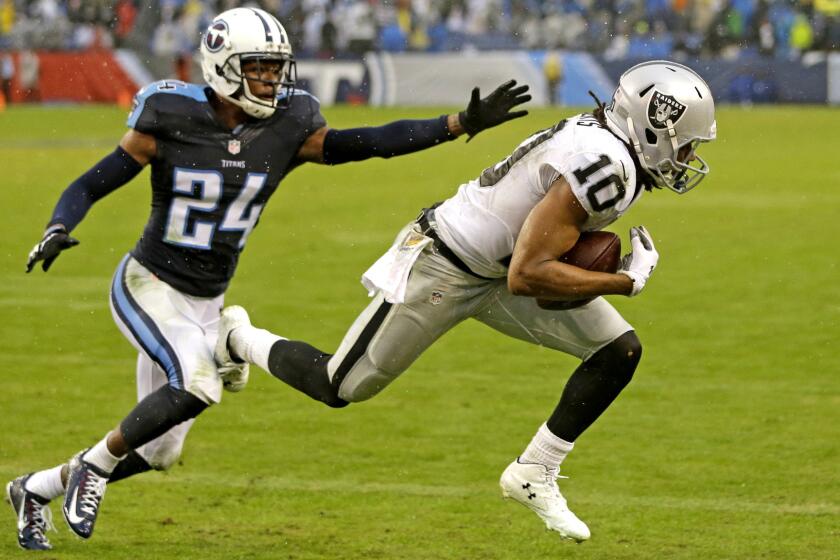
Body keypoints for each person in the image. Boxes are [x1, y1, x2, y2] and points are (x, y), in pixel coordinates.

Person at [6, 7, 530, 551]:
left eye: (276, 67)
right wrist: (58, 225)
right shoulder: (169, 115)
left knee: (161, 449)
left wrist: (458, 125)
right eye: (258, 67)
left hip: (208, 297)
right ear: (223, 66)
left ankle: (35, 488)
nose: (272, 79)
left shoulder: (288, 125)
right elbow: (94, 182)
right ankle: (96, 463)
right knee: (199, 383)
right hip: (149, 284)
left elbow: (369, 141)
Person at [215, 60, 717, 542]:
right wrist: (623, 282)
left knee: (617, 350)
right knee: (341, 385)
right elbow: (529, 276)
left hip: (499, 267)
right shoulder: (608, 168)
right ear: (655, 129)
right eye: (686, 142)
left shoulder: (609, 147)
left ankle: (534, 471)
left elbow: (524, 267)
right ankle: (239, 337)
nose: (688, 155)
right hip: (447, 264)